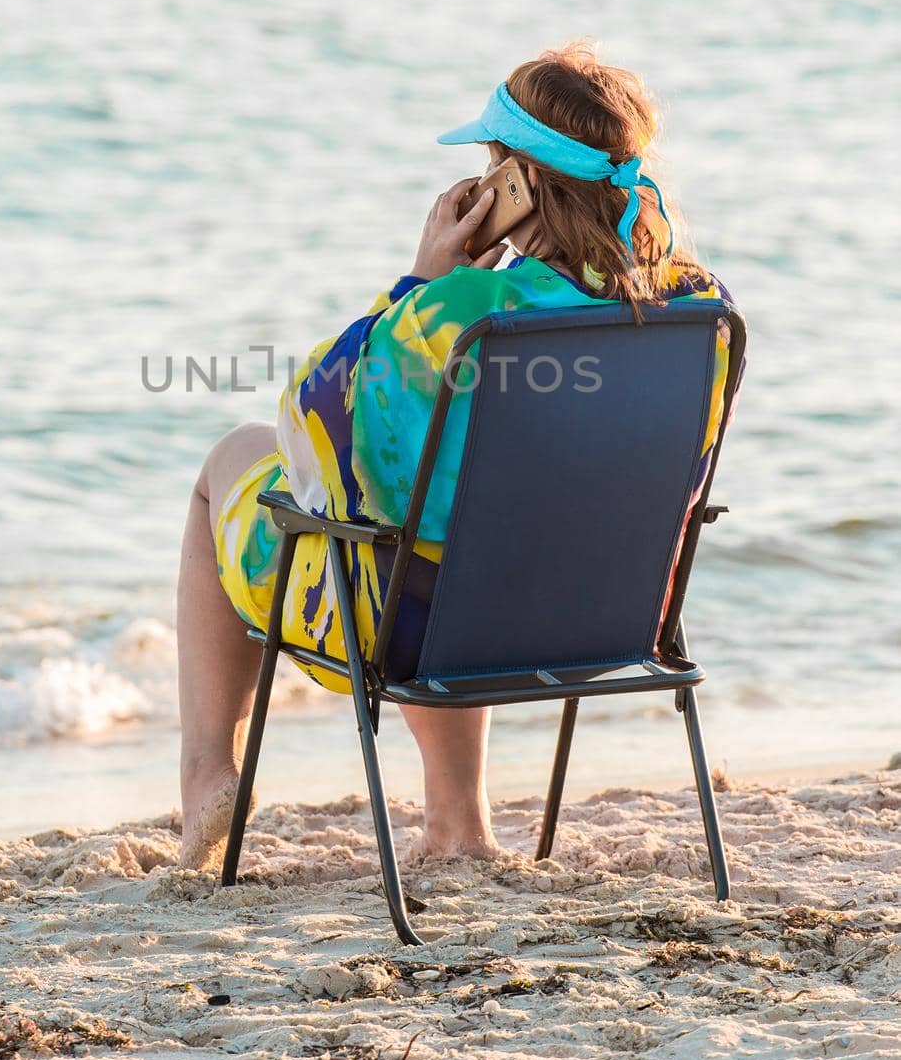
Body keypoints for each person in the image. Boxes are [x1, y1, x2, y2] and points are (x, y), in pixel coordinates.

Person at [176, 42, 737, 867]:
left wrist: (416, 285)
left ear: (518, 184)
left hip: (425, 633)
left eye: (492, 160)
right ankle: (456, 825)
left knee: (240, 463)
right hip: (613, 617)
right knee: (462, 513)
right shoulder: (699, 306)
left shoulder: (460, 312)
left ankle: (205, 781)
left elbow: (315, 429)